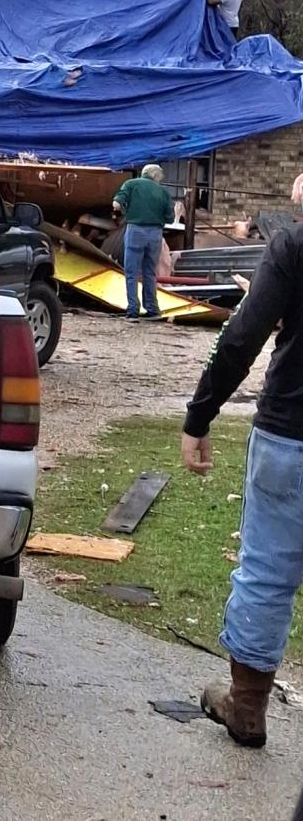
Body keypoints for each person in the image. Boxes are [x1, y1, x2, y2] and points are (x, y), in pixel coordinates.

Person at [181, 171, 303, 748]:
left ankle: (248, 705)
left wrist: (199, 416)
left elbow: (240, 338)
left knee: (267, 573)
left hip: (290, 436)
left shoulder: (292, 248)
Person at [113, 164, 174, 319]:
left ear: (144, 173)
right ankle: (152, 310)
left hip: (135, 230)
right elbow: (170, 218)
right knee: (150, 272)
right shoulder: (163, 192)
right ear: (156, 176)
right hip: (155, 234)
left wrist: (126, 210)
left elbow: (116, 204)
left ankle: (133, 310)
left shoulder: (131, 184)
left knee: (132, 272)